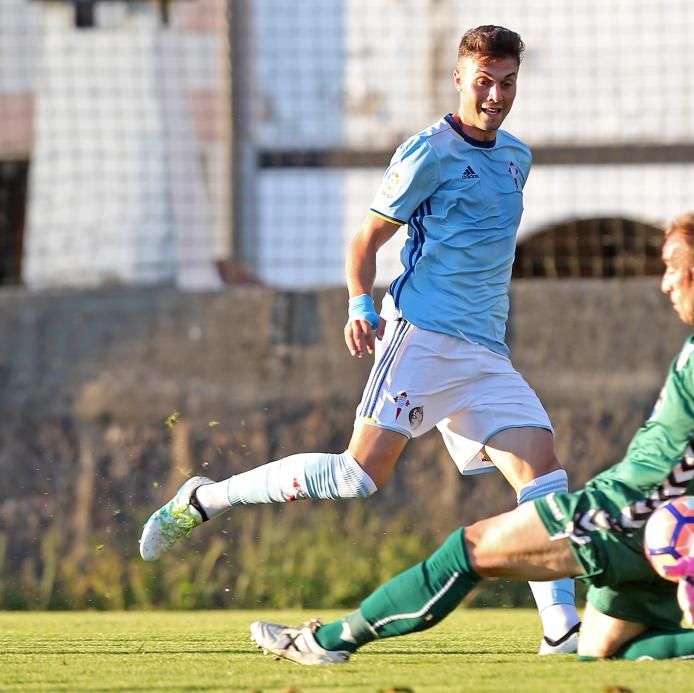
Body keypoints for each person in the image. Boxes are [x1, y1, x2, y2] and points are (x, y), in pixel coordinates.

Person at [138, 25, 581, 655]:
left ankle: (561, 631)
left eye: (507, 83)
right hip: (421, 338)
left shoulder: (516, 156)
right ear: (459, 78)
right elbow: (364, 242)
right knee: (357, 476)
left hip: (484, 353)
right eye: (484, 82)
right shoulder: (426, 152)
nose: (495, 96)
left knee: (542, 474)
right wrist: (358, 303)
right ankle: (204, 498)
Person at [247, 212, 694, 665]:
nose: (664, 285)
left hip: (624, 512)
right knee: (606, 650)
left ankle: (328, 640)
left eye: (671, 271)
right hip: (660, 529)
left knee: (466, 551)